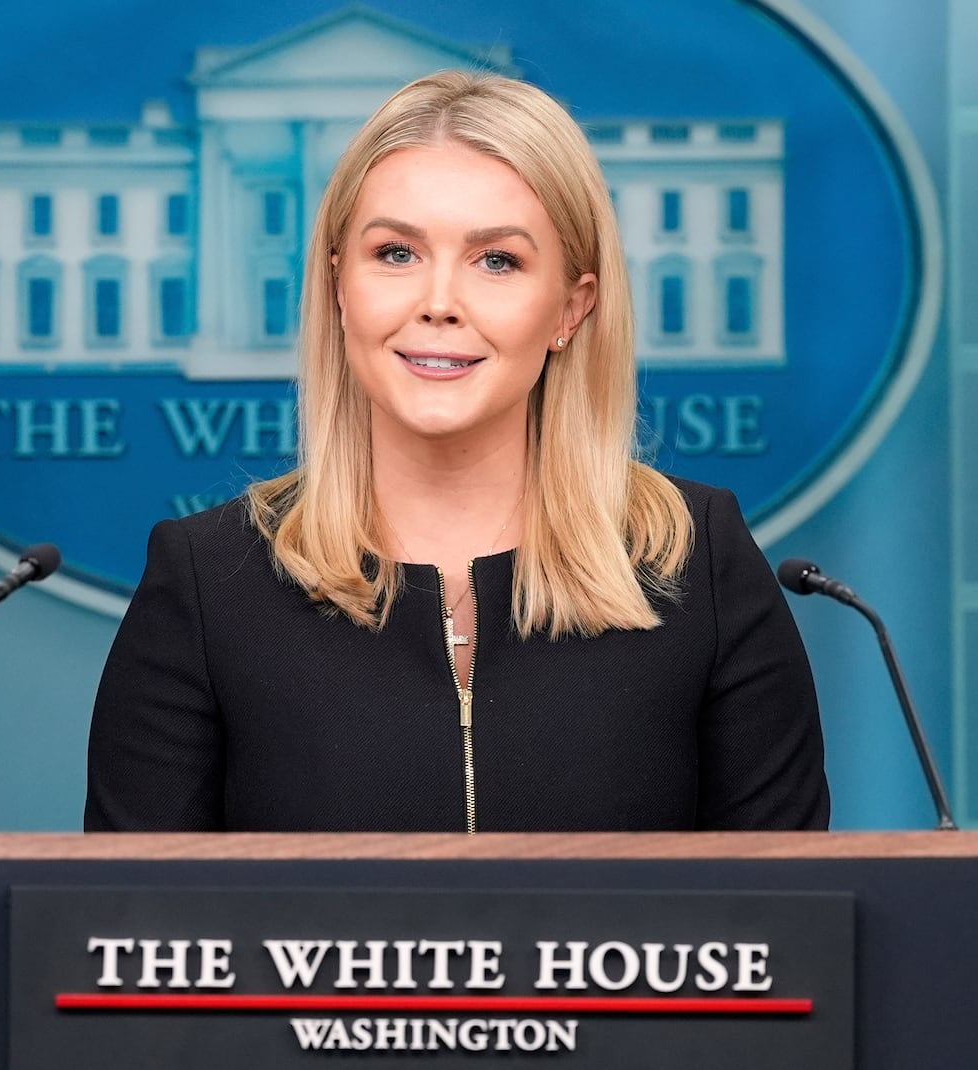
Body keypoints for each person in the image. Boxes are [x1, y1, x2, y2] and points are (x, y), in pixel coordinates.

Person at [84, 71, 829, 833]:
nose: (438, 302)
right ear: (340, 286)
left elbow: (788, 929)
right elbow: (130, 934)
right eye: (396, 253)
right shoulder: (208, 580)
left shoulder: (700, 565)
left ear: (572, 307)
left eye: (496, 261)